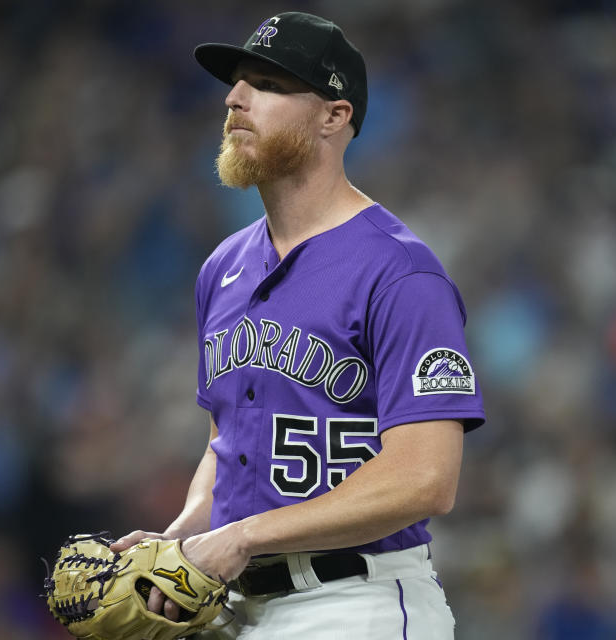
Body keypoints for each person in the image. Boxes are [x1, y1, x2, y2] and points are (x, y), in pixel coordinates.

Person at [110, 11, 485, 639]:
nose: (234, 99)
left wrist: (242, 536)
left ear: (334, 116)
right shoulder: (222, 267)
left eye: (266, 84)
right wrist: (184, 535)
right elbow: (228, 441)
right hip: (237, 610)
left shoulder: (400, 272)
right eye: (236, 84)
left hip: (354, 602)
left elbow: (426, 479)